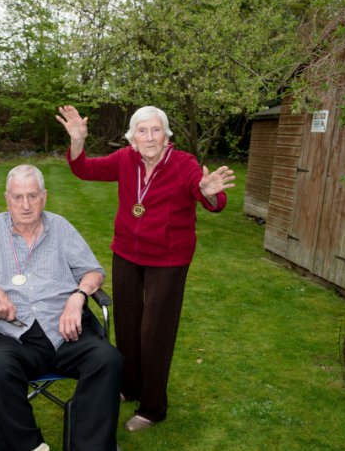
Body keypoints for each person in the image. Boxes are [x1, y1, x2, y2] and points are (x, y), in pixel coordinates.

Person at [56, 105, 235, 432]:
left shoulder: (184, 164)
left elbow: (207, 194)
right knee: (128, 324)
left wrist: (210, 194)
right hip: (126, 253)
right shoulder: (125, 159)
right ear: (132, 138)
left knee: (155, 332)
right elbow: (84, 169)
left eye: (156, 131)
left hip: (167, 260)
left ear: (167, 137)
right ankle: (130, 386)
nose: (150, 137)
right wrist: (78, 142)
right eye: (142, 131)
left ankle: (153, 407)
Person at [0, 164, 123, 451]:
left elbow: (94, 272)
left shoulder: (61, 227)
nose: (26, 205)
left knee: (108, 359)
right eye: (18, 197)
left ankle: (88, 446)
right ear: (7, 199)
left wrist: (78, 296)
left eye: (32, 196)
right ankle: (29, 447)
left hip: (67, 328)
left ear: (44, 196)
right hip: (13, 334)